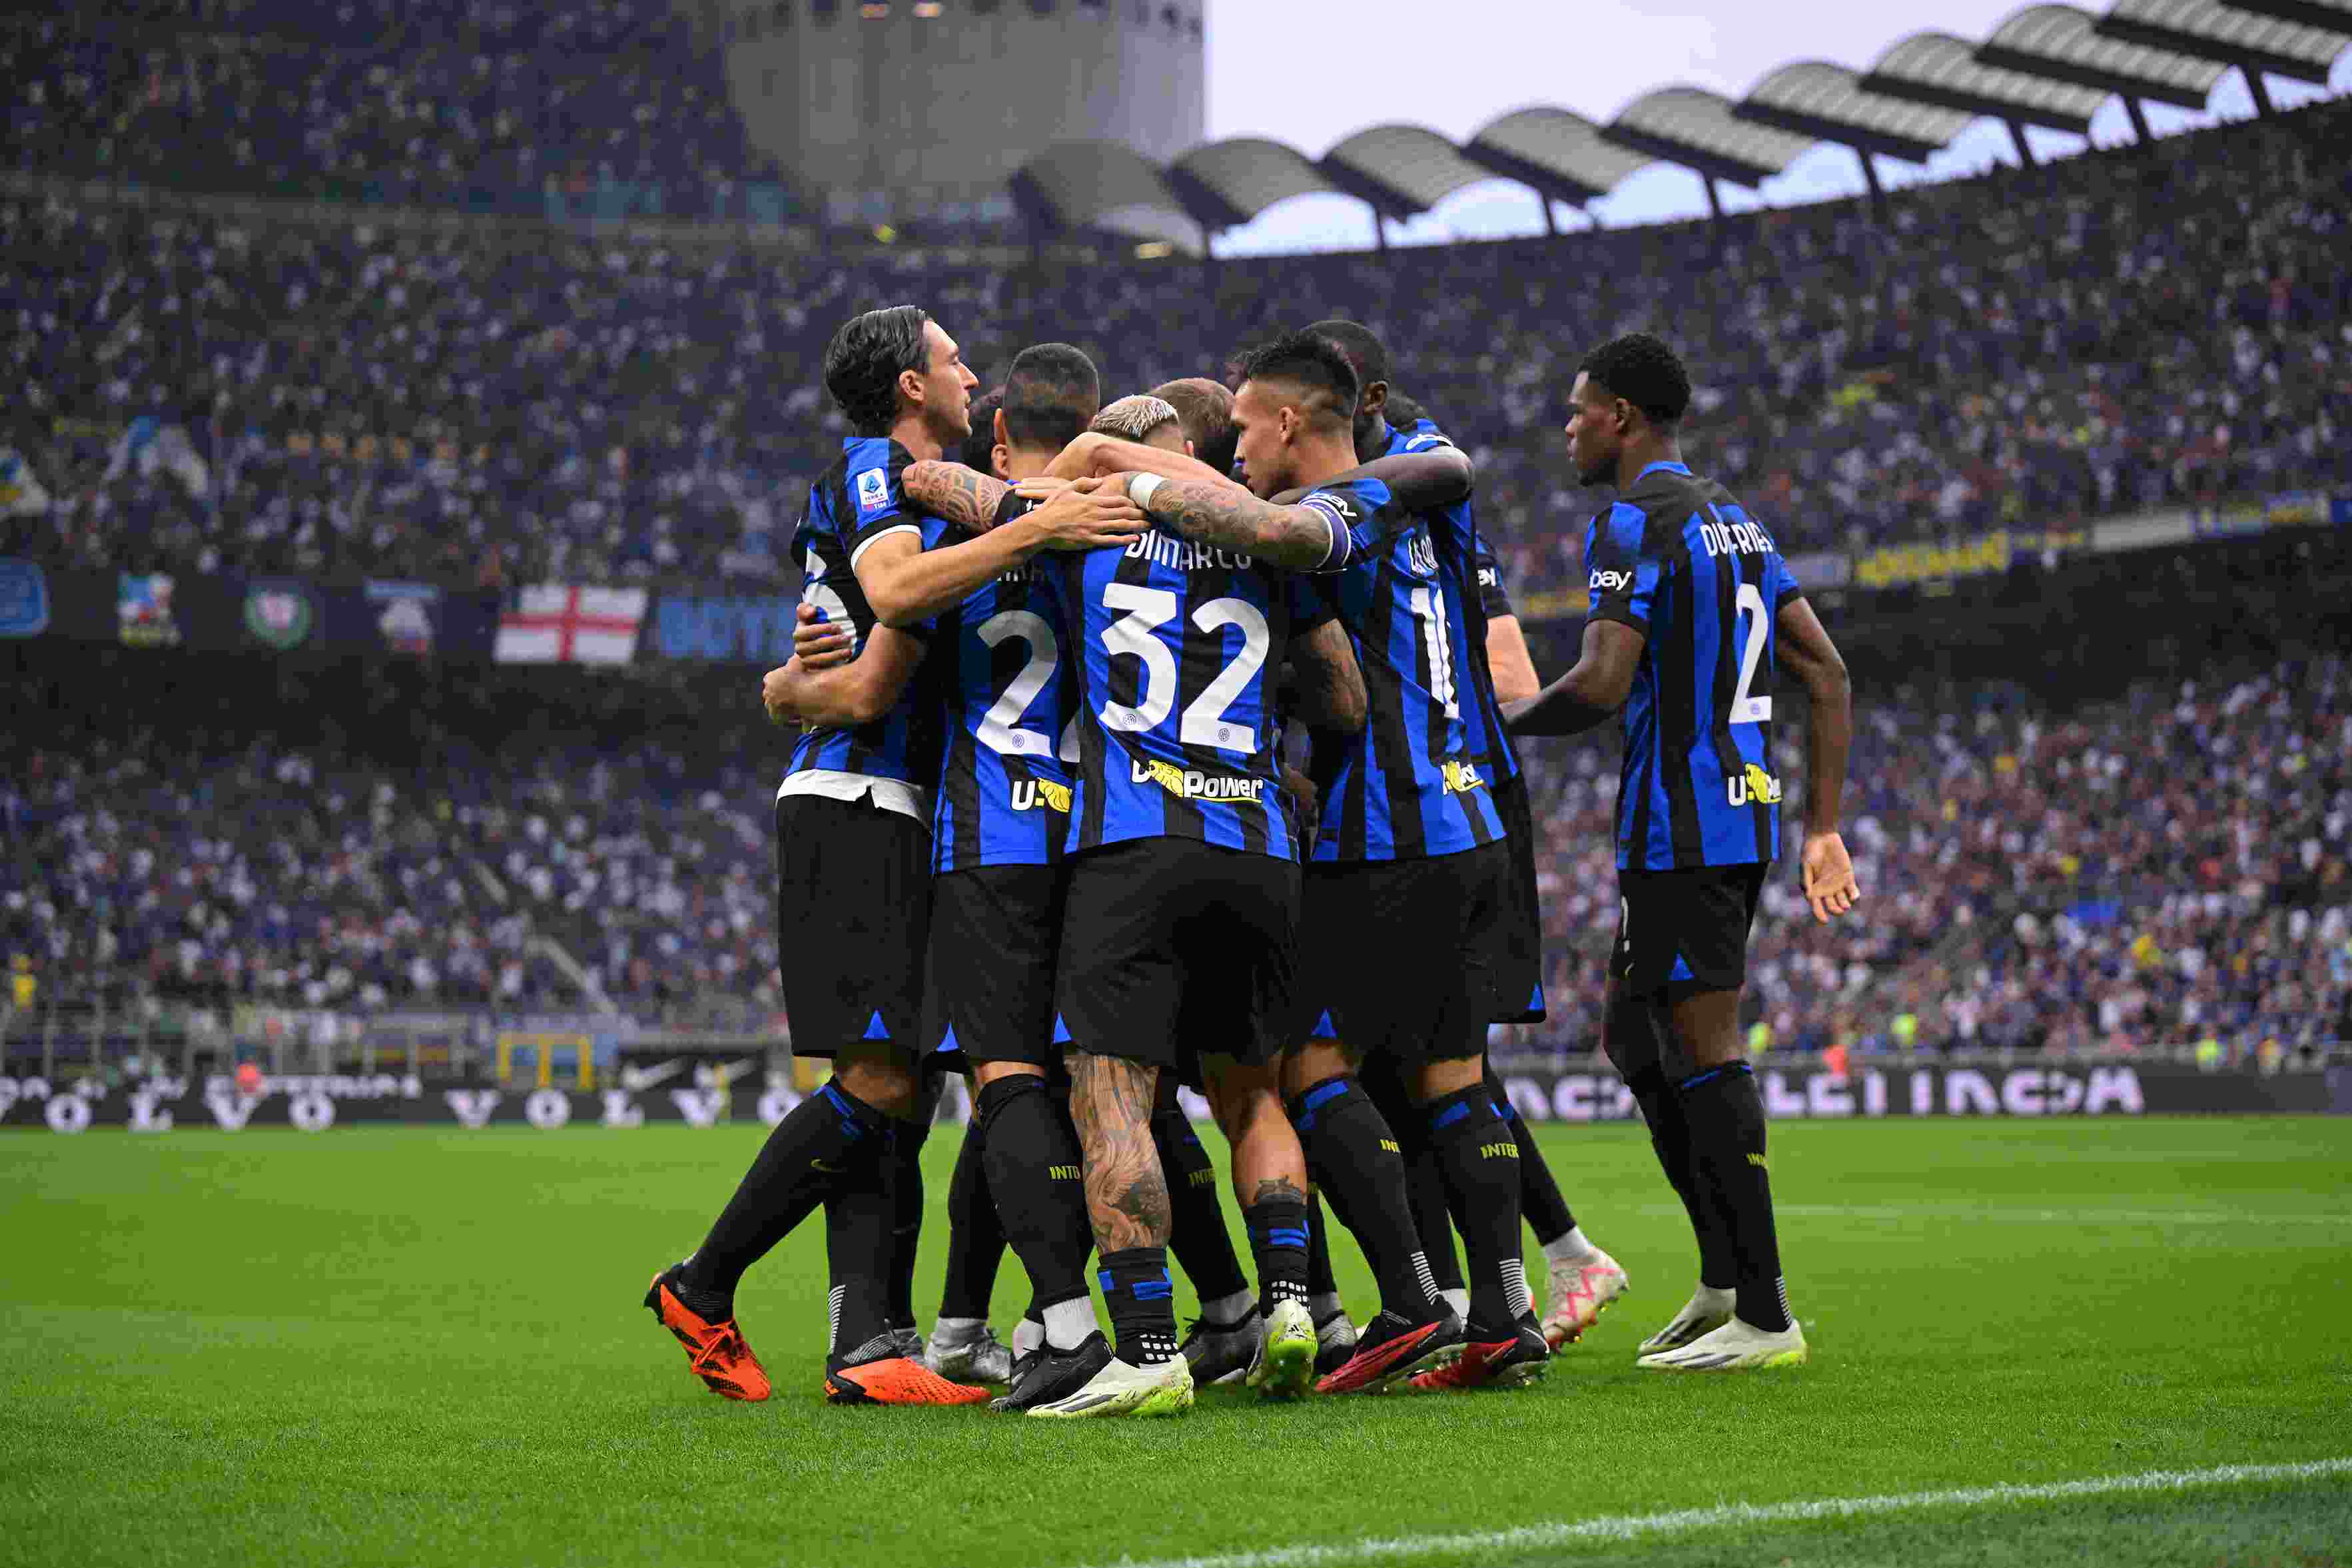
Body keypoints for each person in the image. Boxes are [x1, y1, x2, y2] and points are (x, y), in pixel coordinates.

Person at [648, 306, 1141, 1407]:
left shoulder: (929, 497)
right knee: (875, 1081)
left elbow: (850, 626)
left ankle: (869, 1345)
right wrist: (1035, 532)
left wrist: (796, 677)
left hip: (905, 808)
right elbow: (884, 631)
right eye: (954, 359)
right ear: (913, 385)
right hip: (860, 800)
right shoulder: (880, 468)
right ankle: (702, 1282)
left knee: (903, 1090)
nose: (972, 373)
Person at [1014, 356, 1377, 1418]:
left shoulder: (1090, 521)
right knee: (1254, 1092)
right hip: (1261, 842)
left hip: (1137, 837)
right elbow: (1345, 699)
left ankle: (1145, 1347)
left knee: (1111, 1087)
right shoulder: (1269, 536)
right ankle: (1293, 1305)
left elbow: (985, 508)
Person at [1503, 332, 1859, 1373]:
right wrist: (1822, 823)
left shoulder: (1633, 519)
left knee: (1705, 1042)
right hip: (1732, 818)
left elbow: (1604, 682)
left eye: (1578, 409)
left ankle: (1767, 1308)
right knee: (1632, 1035)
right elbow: (1827, 674)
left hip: (1680, 826)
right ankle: (1720, 1280)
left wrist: (1503, 718)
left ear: (1621, 416)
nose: (1568, 427)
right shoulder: (1738, 523)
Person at [1316, 343, 1631, 1356]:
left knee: (1409, 1066)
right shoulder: (1444, 522)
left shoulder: (1377, 508)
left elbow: (1497, 671)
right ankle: (1492, 1289)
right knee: (1434, 1064)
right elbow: (1501, 674)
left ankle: (1481, 1283)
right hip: (1477, 796)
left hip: (1423, 809)